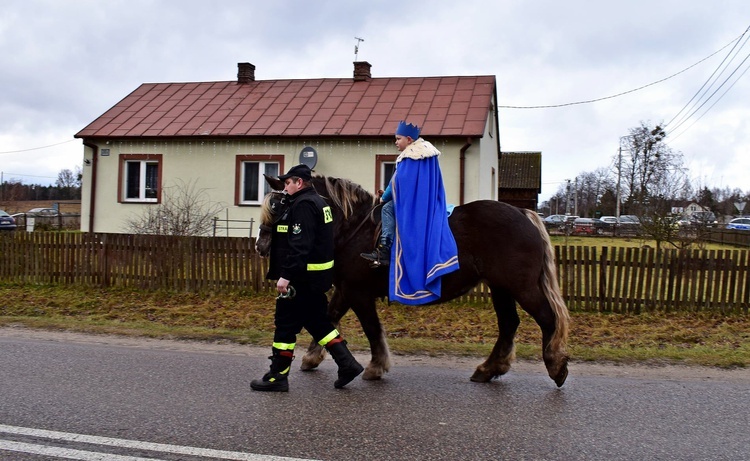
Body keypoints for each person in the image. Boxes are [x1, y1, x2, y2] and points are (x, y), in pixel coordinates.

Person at [251, 164, 363, 392]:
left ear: (298, 183)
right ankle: (347, 363)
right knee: (317, 323)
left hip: (301, 279)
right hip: (315, 279)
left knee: (284, 326)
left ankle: (277, 377)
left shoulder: (303, 206)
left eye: (287, 183)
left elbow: (300, 246)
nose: (285, 187)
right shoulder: (319, 203)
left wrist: (286, 276)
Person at [360, 121, 459, 305]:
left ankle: (383, 248)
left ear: (409, 139)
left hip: (415, 206)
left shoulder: (409, 157)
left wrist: (384, 198)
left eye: (398, 139)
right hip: (428, 202)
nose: (396, 143)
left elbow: (396, 184)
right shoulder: (427, 154)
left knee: (388, 209)